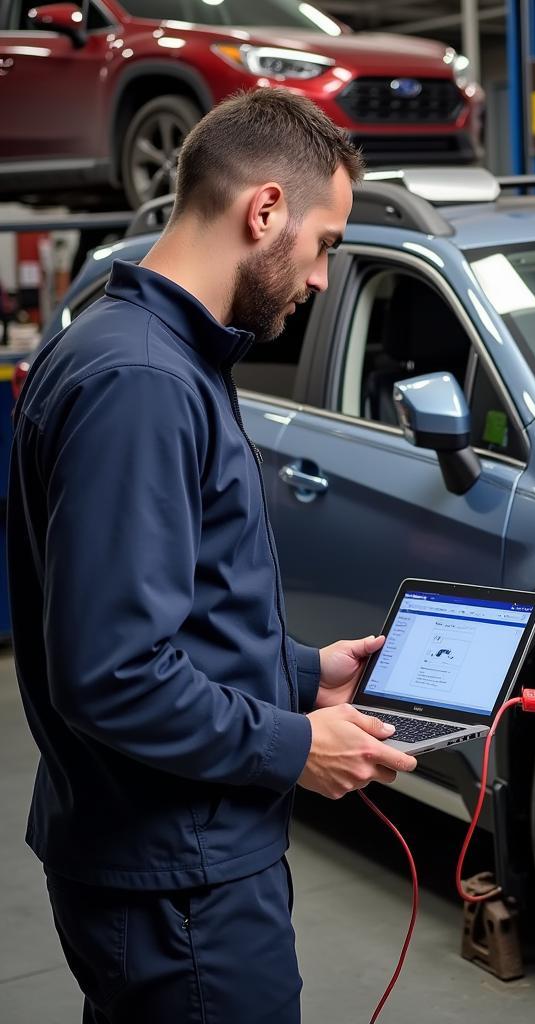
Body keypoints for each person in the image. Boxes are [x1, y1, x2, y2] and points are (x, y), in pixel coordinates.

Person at [7, 88, 417, 1023]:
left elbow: (175, 618)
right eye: (326, 245)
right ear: (264, 210)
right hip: (178, 881)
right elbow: (111, 673)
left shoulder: (148, 351)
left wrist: (305, 674)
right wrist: (294, 746)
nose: (320, 280)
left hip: (167, 859)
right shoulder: (143, 382)